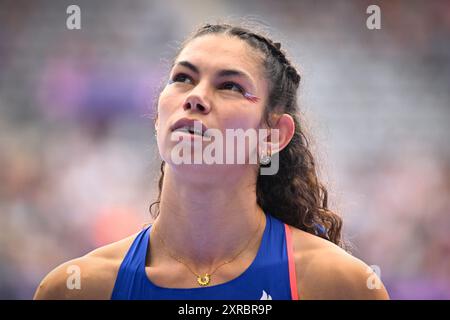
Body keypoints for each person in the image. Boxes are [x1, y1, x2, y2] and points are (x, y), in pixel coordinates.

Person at [34, 22, 389, 300]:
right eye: (182, 79)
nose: (196, 98)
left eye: (230, 86)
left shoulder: (339, 284)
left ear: (273, 135)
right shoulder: (77, 288)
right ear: (158, 117)